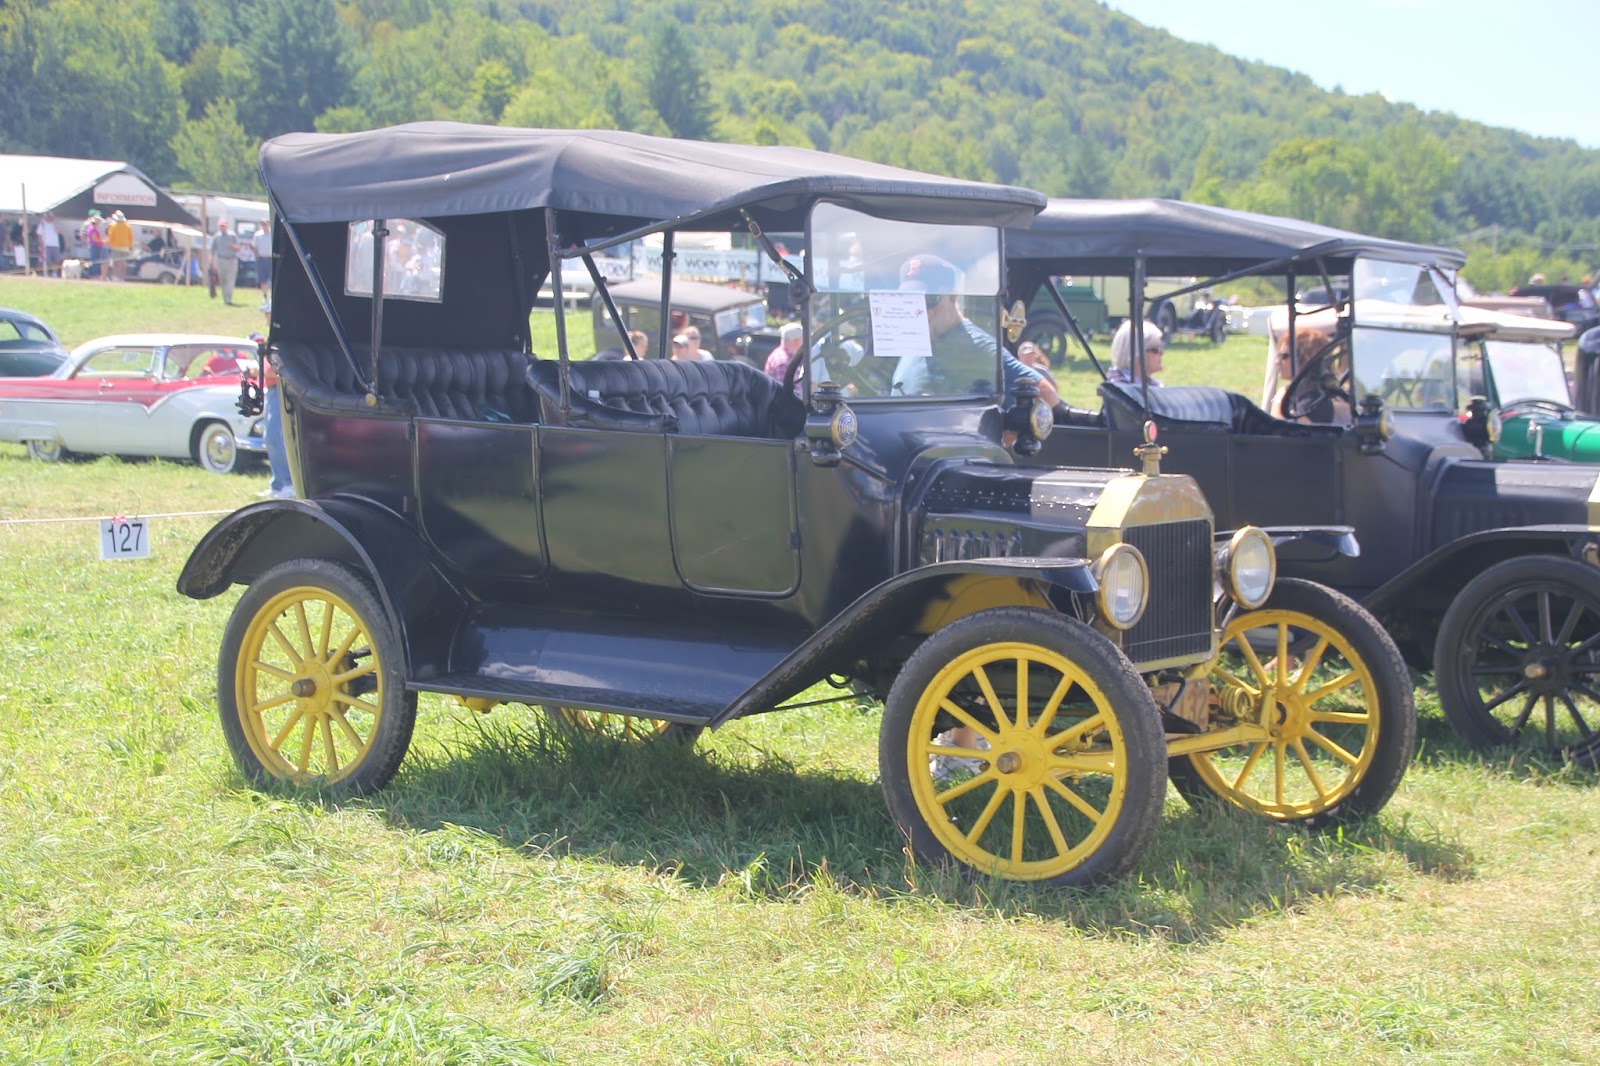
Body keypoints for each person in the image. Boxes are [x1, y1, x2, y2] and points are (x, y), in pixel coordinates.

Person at [889, 254, 1057, 407]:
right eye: (911, 300)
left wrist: (1009, 434)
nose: (921, 310)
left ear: (952, 296)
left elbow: (1046, 394)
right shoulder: (912, 340)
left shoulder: (977, 345)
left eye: (930, 299)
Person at [1107, 319, 1164, 385]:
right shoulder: (1120, 389)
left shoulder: (1153, 385)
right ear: (1137, 353)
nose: (1162, 353)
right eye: (1157, 349)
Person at [211, 220, 240, 305]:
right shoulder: (216, 237)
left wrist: (232, 246)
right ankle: (225, 297)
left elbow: (238, 248)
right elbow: (213, 249)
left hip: (231, 259)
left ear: (226, 226)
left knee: (230, 279)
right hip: (220, 260)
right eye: (221, 226)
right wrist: (211, 260)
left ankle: (229, 298)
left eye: (223, 226)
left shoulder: (232, 236)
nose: (222, 228)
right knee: (222, 279)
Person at [106, 210, 133, 281]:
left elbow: (111, 236)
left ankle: (116, 277)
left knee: (116, 263)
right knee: (123, 263)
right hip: (125, 247)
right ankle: (122, 277)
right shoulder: (127, 226)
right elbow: (130, 237)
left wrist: (110, 244)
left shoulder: (113, 226)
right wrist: (130, 246)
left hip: (115, 246)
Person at [35, 211, 62, 277]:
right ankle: (47, 273)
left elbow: (58, 232)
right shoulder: (42, 224)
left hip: (55, 245)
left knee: (56, 260)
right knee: (48, 260)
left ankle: (54, 273)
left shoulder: (54, 223)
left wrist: (55, 223)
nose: (51, 218)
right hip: (46, 245)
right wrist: (41, 244)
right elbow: (39, 235)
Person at [82, 210, 107, 280]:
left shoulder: (91, 227)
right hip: (95, 246)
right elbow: (95, 239)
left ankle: (93, 274)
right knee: (95, 261)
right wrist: (103, 241)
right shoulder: (93, 229)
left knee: (95, 260)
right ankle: (94, 275)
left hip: (95, 246)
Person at [253, 222, 272, 295]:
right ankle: (265, 297)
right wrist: (256, 254)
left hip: (271, 259)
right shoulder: (257, 235)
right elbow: (254, 246)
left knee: (271, 279)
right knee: (262, 279)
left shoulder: (272, 233)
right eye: (262, 224)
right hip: (261, 259)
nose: (264, 226)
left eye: (265, 224)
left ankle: (271, 297)